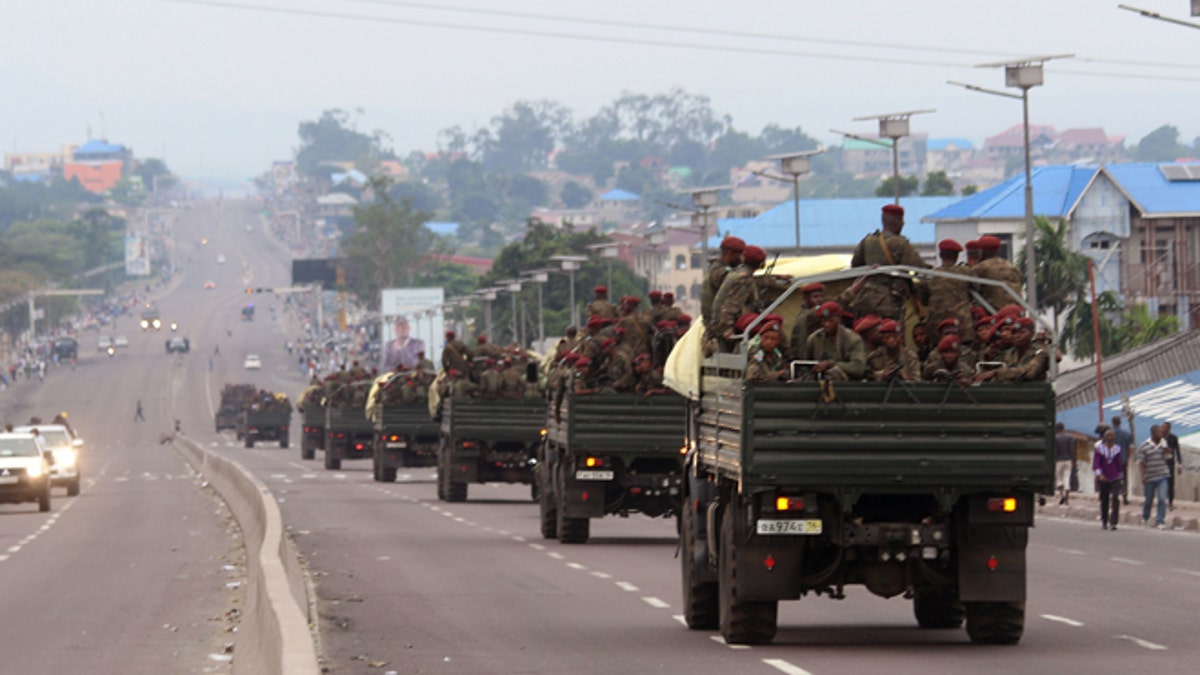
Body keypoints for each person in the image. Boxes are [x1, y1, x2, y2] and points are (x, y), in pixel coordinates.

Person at [849, 204, 929, 320]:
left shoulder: (867, 241)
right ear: (896, 222)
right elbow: (920, 269)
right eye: (901, 220)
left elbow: (855, 266)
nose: (903, 224)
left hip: (864, 300)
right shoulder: (900, 244)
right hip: (888, 303)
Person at [802, 302, 867, 381]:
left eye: (830, 320)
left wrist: (830, 364)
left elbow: (858, 368)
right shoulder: (814, 339)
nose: (826, 324)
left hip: (847, 385)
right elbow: (805, 367)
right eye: (823, 321)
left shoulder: (852, 339)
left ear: (839, 319)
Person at [700, 236, 746, 326]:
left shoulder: (715, 267)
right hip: (720, 327)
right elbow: (741, 281)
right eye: (739, 255)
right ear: (730, 253)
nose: (741, 260)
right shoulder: (720, 272)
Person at [973, 235, 1023, 311]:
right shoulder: (1012, 267)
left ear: (981, 251)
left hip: (994, 314)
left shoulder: (980, 268)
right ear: (998, 250)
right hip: (1016, 312)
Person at [1137, 424, 1171, 529]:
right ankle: (1145, 517)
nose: (1161, 434)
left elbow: (1169, 458)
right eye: (1159, 432)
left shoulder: (1163, 445)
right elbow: (1142, 463)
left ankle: (1160, 520)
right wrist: (1143, 476)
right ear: (1153, 433)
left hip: (1162, 475)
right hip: (1150, 476)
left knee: (1162, 498)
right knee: (1149, 499)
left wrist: (1167, 451)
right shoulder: (1144, 446)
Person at [1094, 427, 1124, 530]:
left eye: (1112, 436)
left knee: (1115, 498)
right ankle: (1104, 520)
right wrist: (1100, 475)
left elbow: (1119, 463)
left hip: (1115, 476)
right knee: (1104, 499)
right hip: (1104, 477)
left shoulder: (1117, 449)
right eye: (1108, 435)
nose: (1110, 437)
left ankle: (1114, 521)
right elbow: (1097, 463)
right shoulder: (1100, 449)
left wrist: (1121, 476)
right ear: (1105, 437)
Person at [1162, 421, 1183, 510]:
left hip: (1170, 464)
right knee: (1162, 484)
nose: (1162, 429)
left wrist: (1179, 464)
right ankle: (1162, 502)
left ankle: (1170, 502)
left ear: (1169, 429)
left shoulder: (1173, 438)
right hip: (1161, 464)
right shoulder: (1159, 438)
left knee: (1170, 484)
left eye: (1164, 427)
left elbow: (1177, 451)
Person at [1053, 422, 1075, 505]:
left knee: (1059, 478)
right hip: (1068, 459)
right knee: (1067, 477)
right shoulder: (1070, 437)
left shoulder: (1055, 438)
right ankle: (1067, 497)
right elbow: (1072, 449)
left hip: (1058, 460)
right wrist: (1073, 460)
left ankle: (1062, 495)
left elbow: (1054, 450)